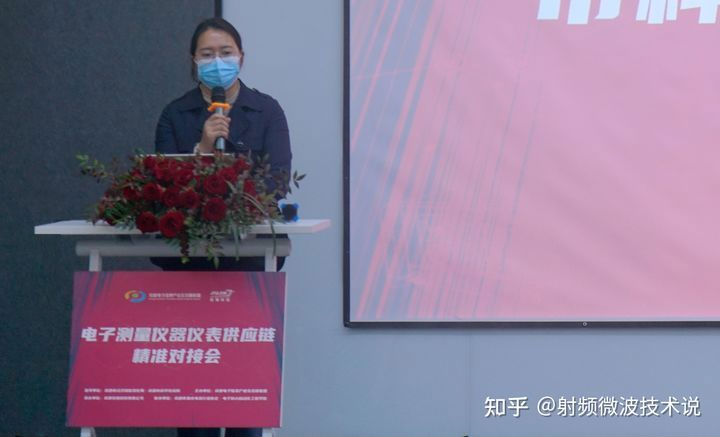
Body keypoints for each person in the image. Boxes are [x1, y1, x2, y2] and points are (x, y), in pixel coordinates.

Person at [152, 17, 291, 437]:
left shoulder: (266, 110)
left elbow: (277, 182)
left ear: (241, 57)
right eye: (207, 54)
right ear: (193, 60)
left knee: (244, 395)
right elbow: (162, 188)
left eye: (226, 53)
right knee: (194, 402)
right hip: (188, 267)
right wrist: (202, 147)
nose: (217, 62)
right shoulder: (175, 114)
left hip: (248, 266)